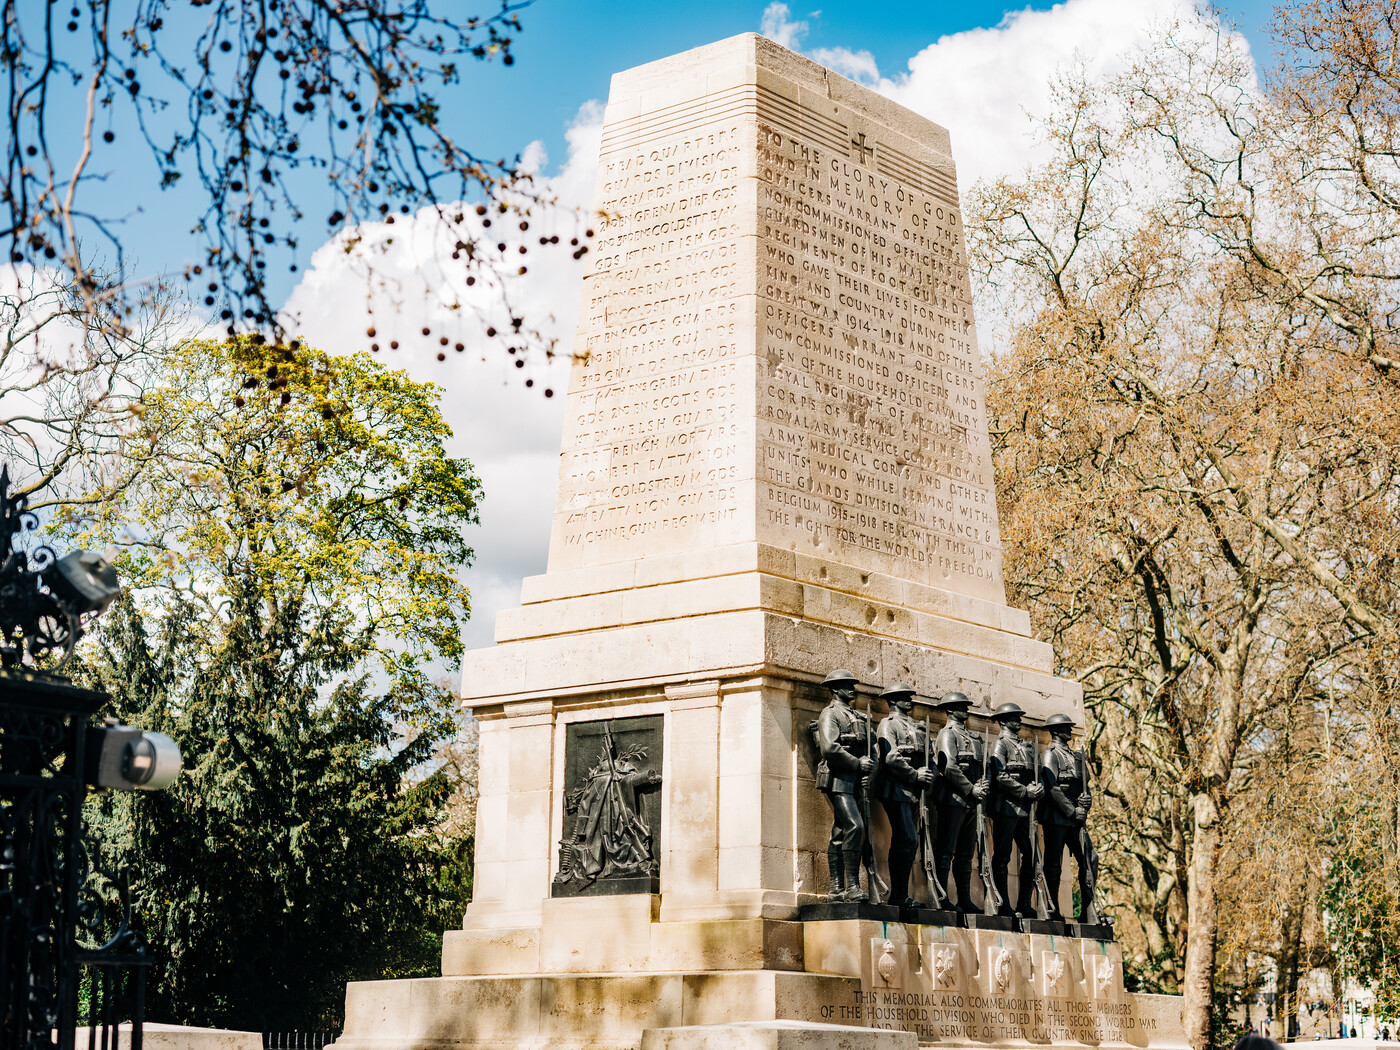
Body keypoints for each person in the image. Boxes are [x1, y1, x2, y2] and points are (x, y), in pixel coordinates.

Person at [813, 668, 877, 902]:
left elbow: (873, 749)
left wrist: (870, 768)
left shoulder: (860, 717)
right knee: (855, 826)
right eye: (846, 684)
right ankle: (851, 886)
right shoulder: (830, 714)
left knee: (841, 830)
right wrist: (858, 764)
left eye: (852, 684)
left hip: (857, 781)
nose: (852, 688)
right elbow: (829, 748)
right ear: (834, 689)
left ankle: (836, 888)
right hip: (838, 778)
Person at [874, 682, 936, 908]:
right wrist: (914, 775)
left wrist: (930, 774)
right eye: (904, 696)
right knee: (907, 838)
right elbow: (889, 758)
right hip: (896, 789)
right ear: (892, 701)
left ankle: (902, 894)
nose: (910, 699)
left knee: (910, 843)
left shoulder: (918, 727)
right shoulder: (887, 725)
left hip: (914, 792)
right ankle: (898, 895)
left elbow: (931, 758)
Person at [931, 691, 989, 913]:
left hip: (973, 801)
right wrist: (971, 788)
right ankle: (941, 896)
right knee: (946, 850)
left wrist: (984, 785)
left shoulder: (975, 738)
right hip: (953, 798)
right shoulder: (948, 734)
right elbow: (949, 767)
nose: (965, 709)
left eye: (965, 705)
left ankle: (964, 898)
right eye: (960, 706)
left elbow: (985, 768)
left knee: (966, 852)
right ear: (949, 710)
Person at [988, 701, 1045, 917]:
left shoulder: (1027, 746)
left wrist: (1038, 788)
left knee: (1031, 856)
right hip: (1006, 808)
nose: (1018, 720)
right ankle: (1004, 904)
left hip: (1025, 810)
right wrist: (1024, 791)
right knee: (1002, 856)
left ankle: (1024, 903)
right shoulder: (1000, 745)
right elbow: (1000, 777)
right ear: (1003, 721)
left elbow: (1036, 774)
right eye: (1013, 717)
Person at [1038, 713, 1096, 922]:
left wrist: (1086, 802)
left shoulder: (1077, 756)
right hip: (1056, 816)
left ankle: (1089, 910)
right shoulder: (1050, 755)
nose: (1069, 731)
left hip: (1076, 819)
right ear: (1055, 732)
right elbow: (1051, 788)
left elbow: (1085, 787)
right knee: (1053, 863)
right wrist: (1072, 811)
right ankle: (1052, 908)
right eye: (1065, 728)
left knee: (1091, 859)